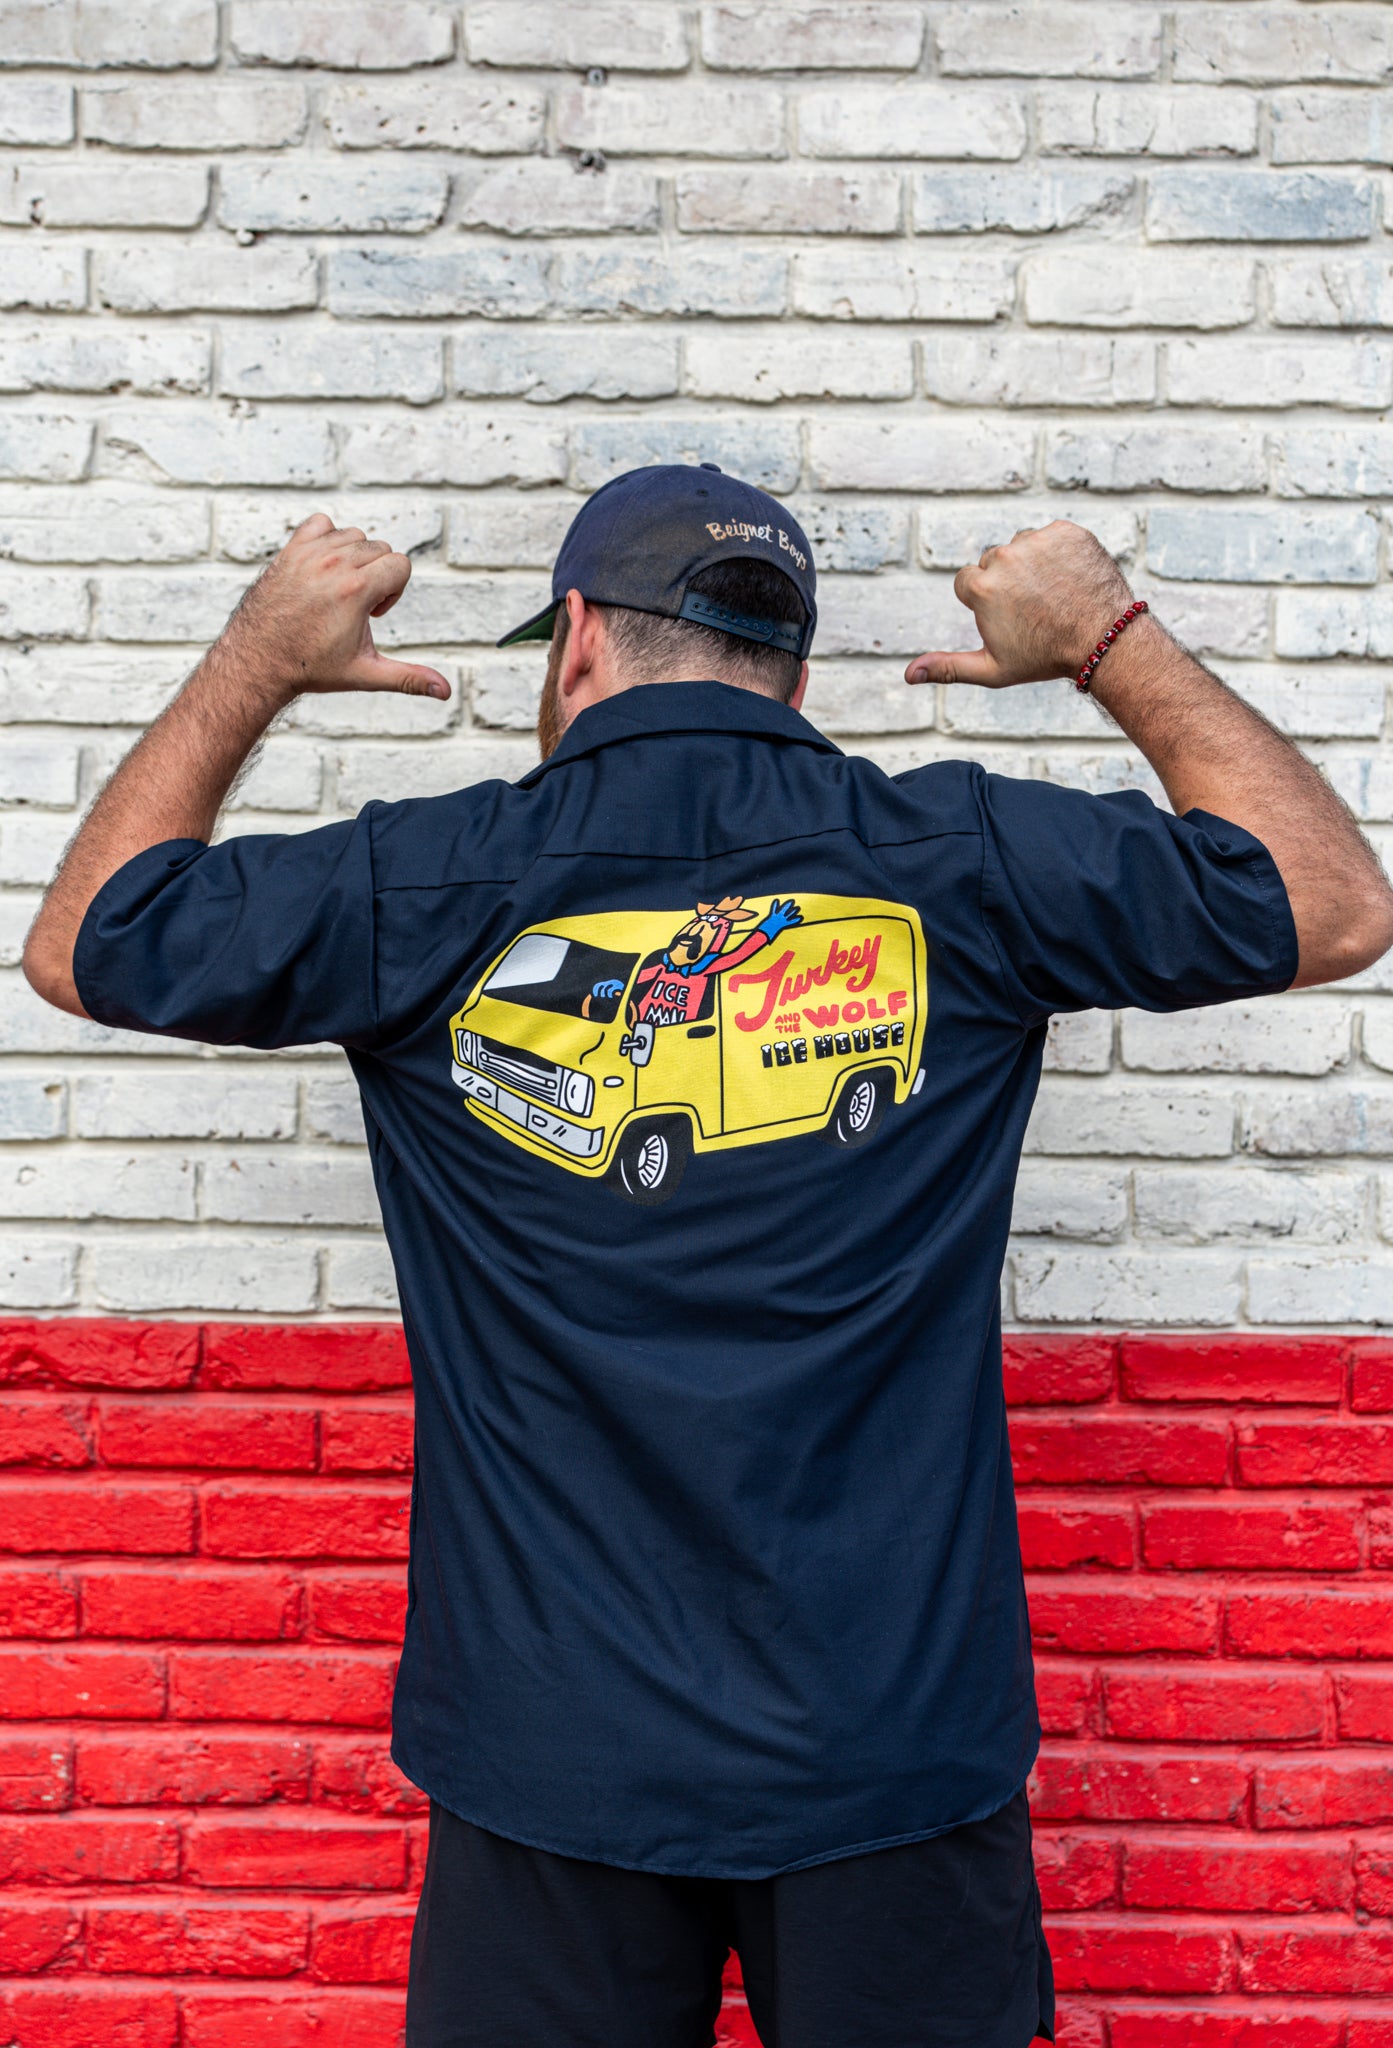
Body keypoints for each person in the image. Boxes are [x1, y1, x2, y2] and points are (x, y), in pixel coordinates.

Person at [24, 463, 1393, 2048]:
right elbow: (1330, 904)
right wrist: (1105, 636)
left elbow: (84, 939)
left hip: (551, 1755)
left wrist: (255, 656)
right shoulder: (954, 860)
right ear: (793, 672)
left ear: (579, 642)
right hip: (891, 1740)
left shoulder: (427, 880)